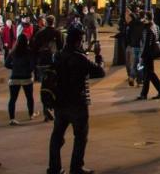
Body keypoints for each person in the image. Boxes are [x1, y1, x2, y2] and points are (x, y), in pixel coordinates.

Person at [48, 25, 105, 174]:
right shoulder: (79, 58)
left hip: (60, 102)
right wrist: (98, 56)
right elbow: (99, 71)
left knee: (57, 136)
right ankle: (76, 166)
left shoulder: (58, 55)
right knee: (80, 136)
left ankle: (54, 167)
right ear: (78, 41)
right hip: (77, 103)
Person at [32, 14, 64, 121]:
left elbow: (34, 47)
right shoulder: (57, 32)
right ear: (53, 22)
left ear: (46, 22)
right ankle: (50, 107)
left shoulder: (40, 33)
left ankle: (46, 109)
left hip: (42, 62)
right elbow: (61, 47)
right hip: (53, 62)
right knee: (53, 86)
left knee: (44, 86)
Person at [7, 33, 36, 124]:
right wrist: (27, 70)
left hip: (14, 78)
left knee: (12, 99)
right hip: (26, 78)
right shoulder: (29, 52)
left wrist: (15, 68)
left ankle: (12, 118)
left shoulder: (13, 52)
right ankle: (31, 114)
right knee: (29, 97)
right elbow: (32, 65)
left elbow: (6, 64)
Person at [136, 14, 160, 100]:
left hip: (147, 54)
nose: (142, 20)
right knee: (148, 74)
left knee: (149, 74)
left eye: (144, 18)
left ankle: (159, 90)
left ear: (147, 19)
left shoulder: (147, 29)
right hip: (151, 53)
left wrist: (142, 56)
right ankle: (146, 93)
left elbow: (146, 44)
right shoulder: (155, 26)